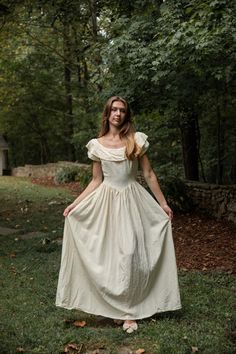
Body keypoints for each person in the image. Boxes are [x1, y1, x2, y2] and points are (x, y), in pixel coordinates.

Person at [56, 96, 181, 333]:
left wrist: (163, 203)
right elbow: (95, 181)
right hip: (106, 201)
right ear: (107, 114)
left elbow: (149, 174)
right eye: (114, 110)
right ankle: (115, 307)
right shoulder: (97, 144)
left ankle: (130, 312)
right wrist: (74, 204)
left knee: (130, 252)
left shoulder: (136, 140)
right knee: (109, 256)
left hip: (133, 199)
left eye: (122, 110)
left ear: (126, 115)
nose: (118, 114)